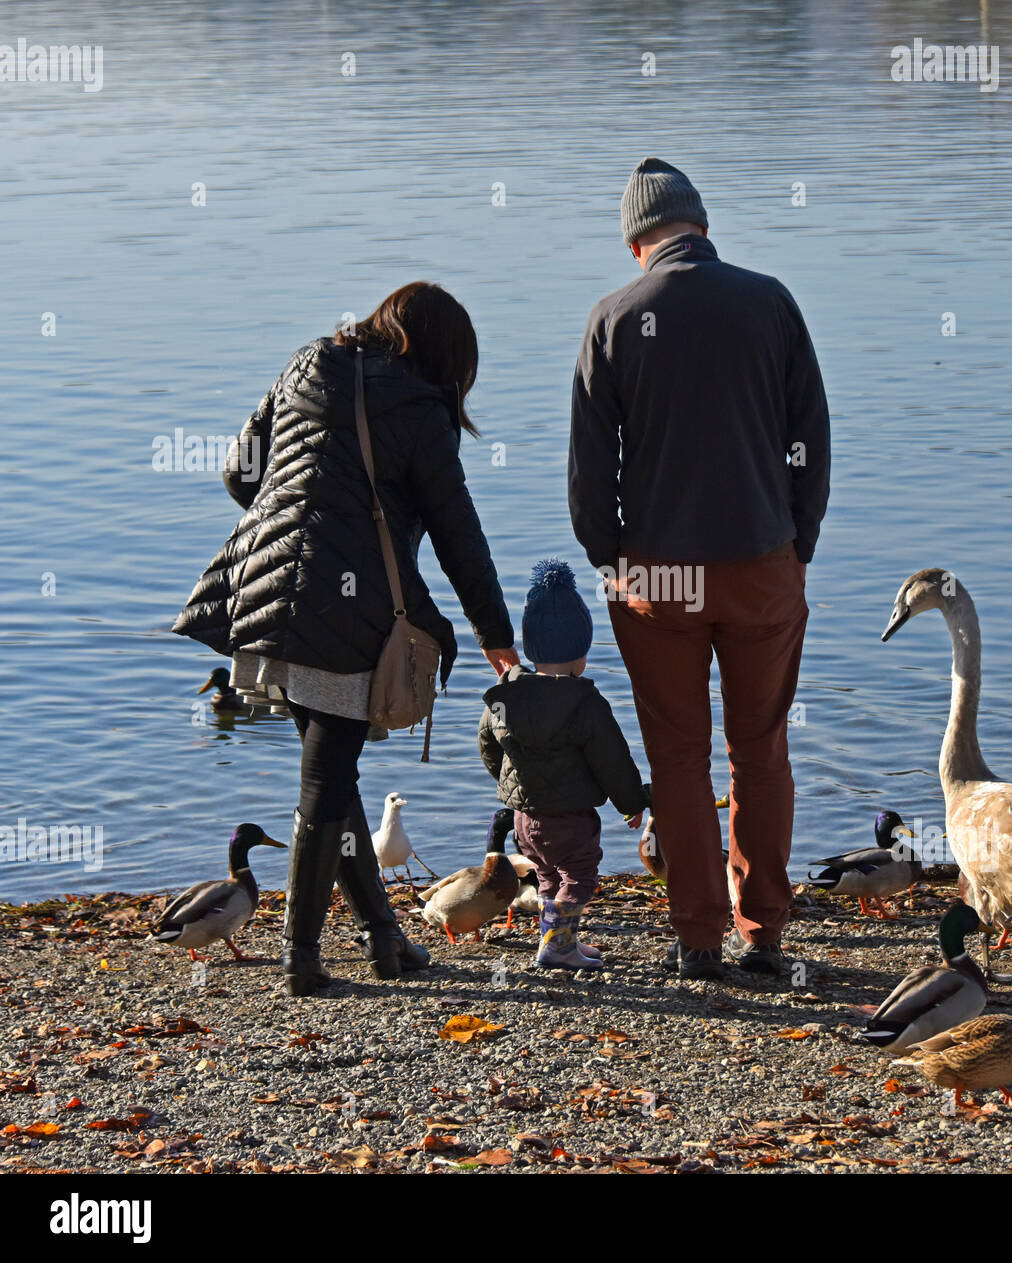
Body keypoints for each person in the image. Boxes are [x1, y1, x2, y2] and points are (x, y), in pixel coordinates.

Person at [174, 281, 519, 995]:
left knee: (334, 775)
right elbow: (458, 531)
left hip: (263, 598)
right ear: (445, 358)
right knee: (325, 779)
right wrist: (495, 632)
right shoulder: (424, 410)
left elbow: (241, 473)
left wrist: (299, 516)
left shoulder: (307, 364)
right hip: (343, 619)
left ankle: (383, 937)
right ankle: (302, 958)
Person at [568, 158, 831, 979]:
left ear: (637, 243)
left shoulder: (614, 316)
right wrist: (798, 542)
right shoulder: (771, 301)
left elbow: (588, 472)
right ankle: (765, 930)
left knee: (677, 755)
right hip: (762, 562)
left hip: (657, 576)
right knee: (762, 748)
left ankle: (697, 938)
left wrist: (609, 558)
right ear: (702, 228)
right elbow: (810, 443)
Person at [478, 559, 649, 971]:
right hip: (569, 820)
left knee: (547, 877)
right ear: (582, 652)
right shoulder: (586, 703)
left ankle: (557, 942)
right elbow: (612, 760)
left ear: (531, 649)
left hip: (523, 818)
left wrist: (511, 781)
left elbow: (487, 744)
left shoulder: (505, 696)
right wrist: (632, 801)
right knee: (579, 880)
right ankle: (558, 945)